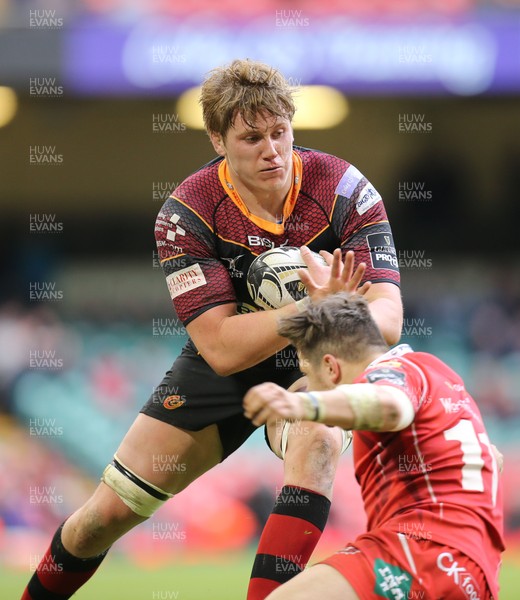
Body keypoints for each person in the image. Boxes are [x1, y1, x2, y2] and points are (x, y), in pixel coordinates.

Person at [21, 59, 403, 600]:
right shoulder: (187, 212)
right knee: (99, 520)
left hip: (319, 359)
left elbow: (387, 319)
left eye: (280, 132)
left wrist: (332, 319)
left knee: (316, 437)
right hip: (229, 365)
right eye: (252, 138)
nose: (272, 150)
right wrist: (315, 311)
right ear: (218, 140)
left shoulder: (344, 190)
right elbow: (221, 349)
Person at [243, 292, 505, 600]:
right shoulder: (438, 373)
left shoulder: (392, 374)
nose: (308, 385)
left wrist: (302, 402)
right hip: (472, 571)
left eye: (308, 375)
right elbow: (495, 458)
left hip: (424, 552)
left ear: (330, 368)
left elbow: (390, 407)